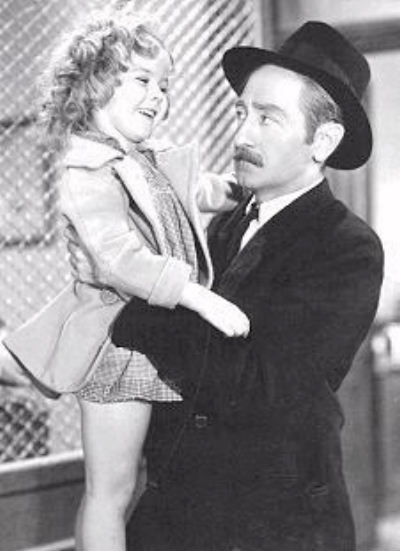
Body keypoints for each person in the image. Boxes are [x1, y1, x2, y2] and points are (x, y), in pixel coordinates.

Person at [71, 21, 383, 551]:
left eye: (268, 118)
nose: (243, 135)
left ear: (323, 141)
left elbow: (264, 388)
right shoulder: (221, 228)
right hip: (177, 520)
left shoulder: (347, 247)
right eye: (242, 113)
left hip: (278, 531)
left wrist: (135, 312)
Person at [0, 5, 250, 551]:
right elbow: (118, 258)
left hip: (154, 332)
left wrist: (243, 188)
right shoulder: (87, 169)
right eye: (142, 80)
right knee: (109, 492)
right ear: (94, 85)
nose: (158, 95)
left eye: (165, 85)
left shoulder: (147, 159)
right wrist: (197, 296)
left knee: (133, 485)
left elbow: (197, 193)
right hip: (116, 341)